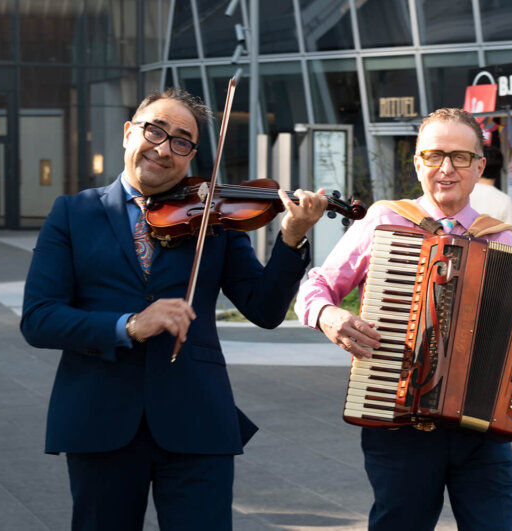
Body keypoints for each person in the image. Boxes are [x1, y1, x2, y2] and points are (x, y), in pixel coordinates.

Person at [20, 87, 328, 530]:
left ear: (192, 155)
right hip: (99, 418)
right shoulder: (72, 213)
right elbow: (39, 319)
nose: (164, 149)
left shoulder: (213, 217)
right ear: (130, 133)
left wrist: (292, 237)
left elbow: (264, 309)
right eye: (155, 131)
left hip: (197, 418)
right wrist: (129, 325)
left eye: (181, 141)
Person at [294, 108, 512, 530]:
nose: (446, 168)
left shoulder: (501, 238)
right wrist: (328, 316)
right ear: (418, 162)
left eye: (460, 157)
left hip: (482, 430)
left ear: (479, 166)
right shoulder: (383, 221)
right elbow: (315, 288)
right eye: (434, 155)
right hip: (398, 422)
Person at [468, 144, 512, 234]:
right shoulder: (504, 200)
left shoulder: (464, 194)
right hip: (494, 248)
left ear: (478, 166)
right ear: (499, 169)